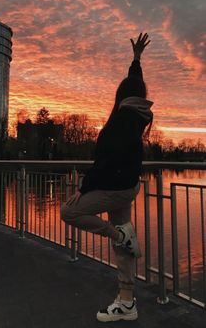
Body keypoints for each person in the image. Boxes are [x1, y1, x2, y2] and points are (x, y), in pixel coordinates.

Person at [61, 32, 153, 322]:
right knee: (123, 247)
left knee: (69, 212)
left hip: (115, 187)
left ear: (121, 96)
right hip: (126, 185)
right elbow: (134, 82)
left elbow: (106, 159)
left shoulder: (123, 119)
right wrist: (136, 59)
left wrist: (85, 186)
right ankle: (127, 302)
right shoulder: (137, 114)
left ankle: (119, 234)